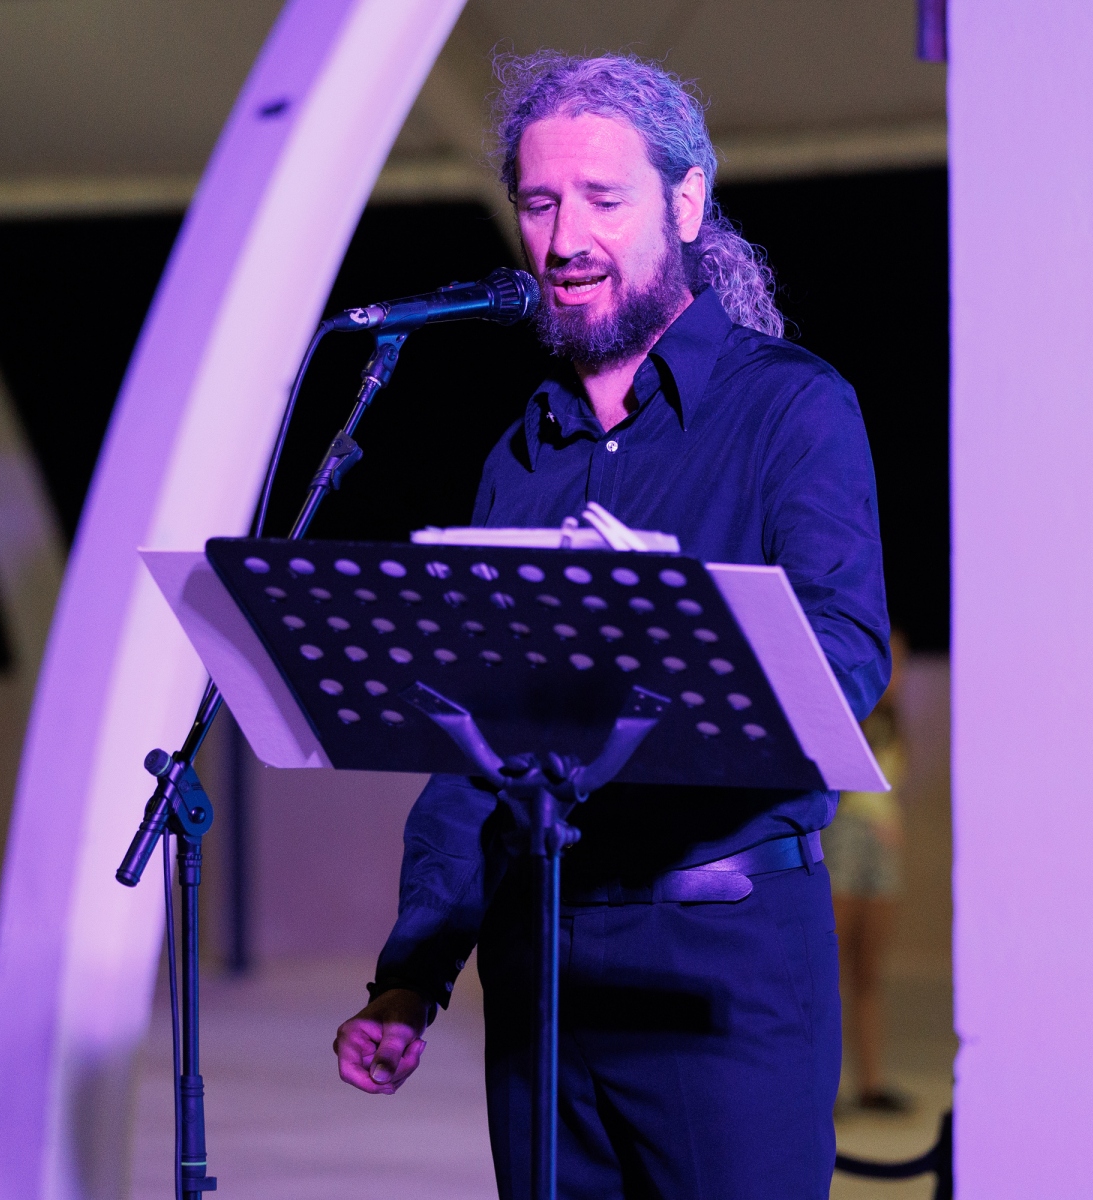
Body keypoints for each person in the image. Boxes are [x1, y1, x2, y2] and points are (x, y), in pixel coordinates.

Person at [332, 51, 890, 1199]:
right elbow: (472, 755)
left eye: (601, 198)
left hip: (719, 961)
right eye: (539, 203)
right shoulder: (522, 456)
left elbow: (845, 658)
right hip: (540, 962)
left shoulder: (791, 406)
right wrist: (413, 973)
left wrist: (673, 630)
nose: (563, 237)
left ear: (685, 203)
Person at [822, 630, 912, 1113]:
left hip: (880, 846)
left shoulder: (896, 722)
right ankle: (827, 1085)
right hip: (848, 838)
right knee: (832, 966)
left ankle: (870, 1084)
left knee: (868, 972)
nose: (897, 673)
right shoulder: (855, 711)